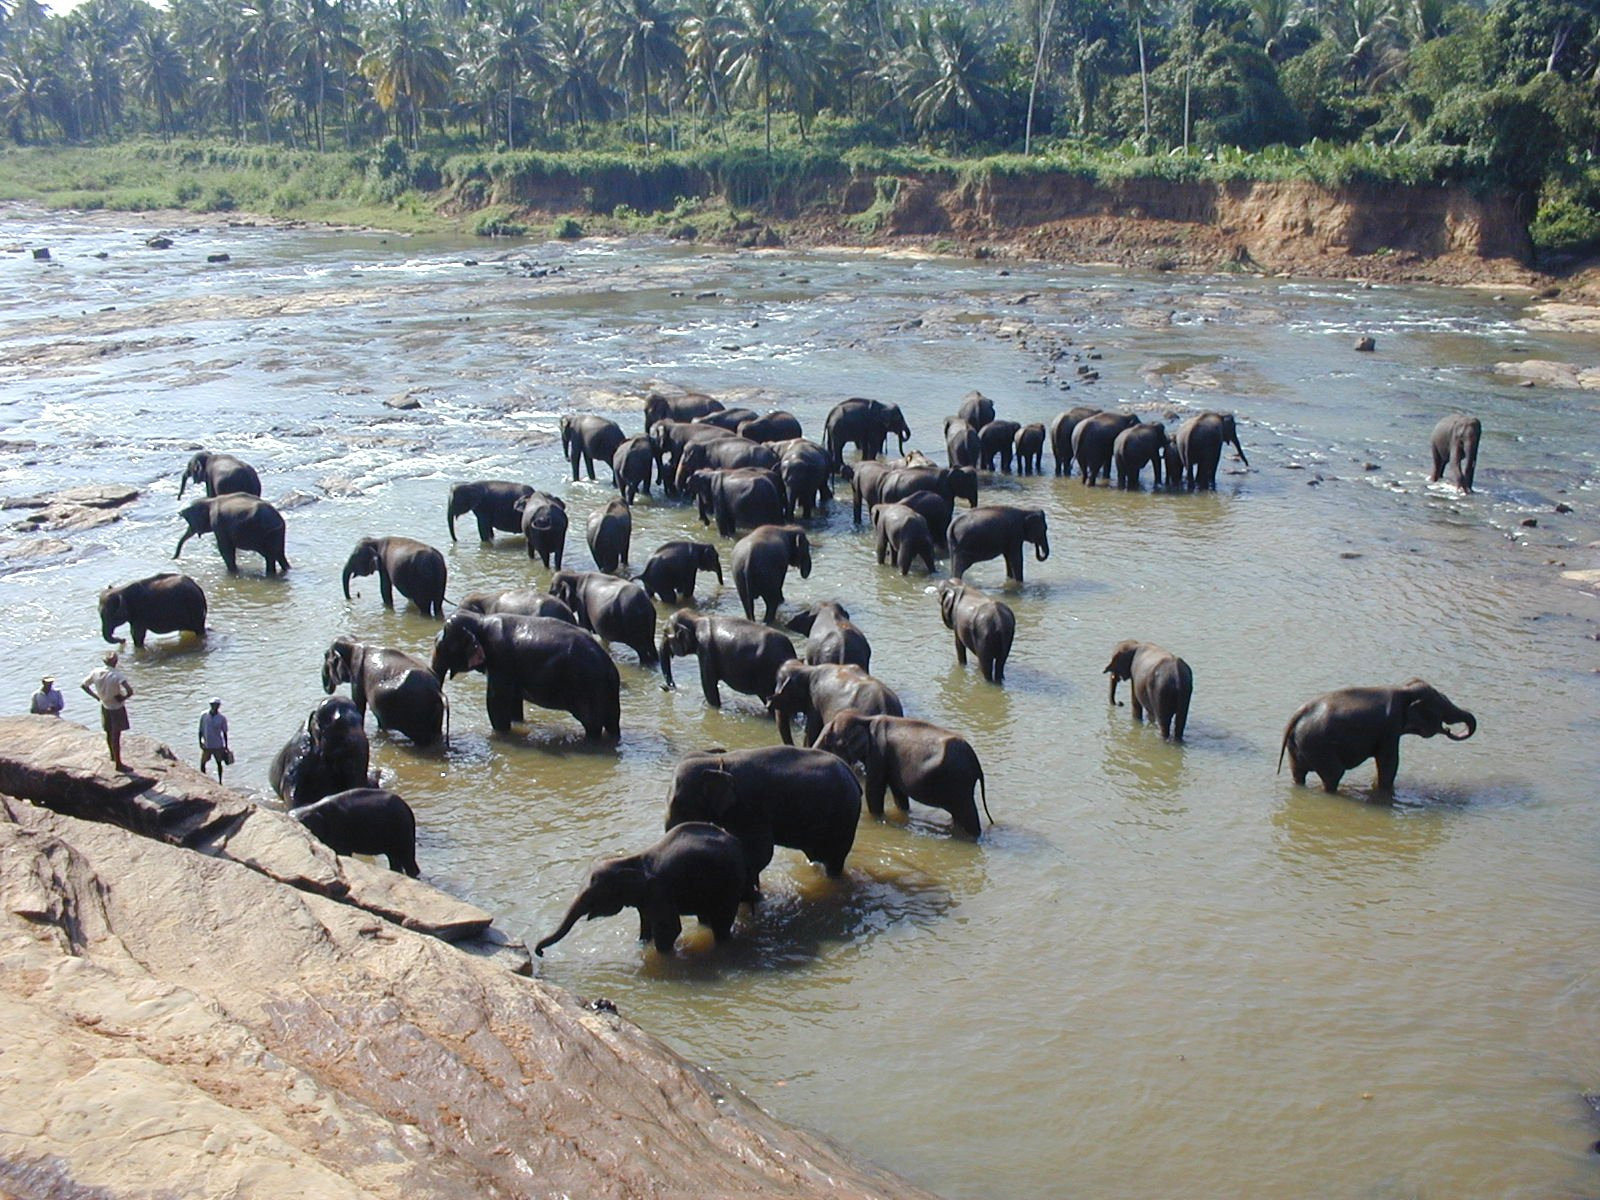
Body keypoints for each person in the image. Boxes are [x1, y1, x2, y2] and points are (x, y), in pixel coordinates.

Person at [80, 651, 133, 771]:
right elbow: (130, 691)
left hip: (105, 705)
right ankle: (119, 764)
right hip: (116, 707)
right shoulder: (117, 675)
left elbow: (84, 685)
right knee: (116, 735)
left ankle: (112, 756)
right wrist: (123, 697)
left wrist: (96, 697)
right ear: (116, 662)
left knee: (108, 733)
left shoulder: (96, 672)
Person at [198, 697, 231, 782]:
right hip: (207, 744)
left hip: (217, 745)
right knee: (203, 762)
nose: (214, 707)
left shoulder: (221, 718)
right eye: (212, 705)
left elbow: (224, 733)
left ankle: (220, 781)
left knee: (219, 763)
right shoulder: (204, 715)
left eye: (216, 705)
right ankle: (203, 779)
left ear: (219, 706)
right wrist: (200, 742)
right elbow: (200, 730)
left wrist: (226, 746)